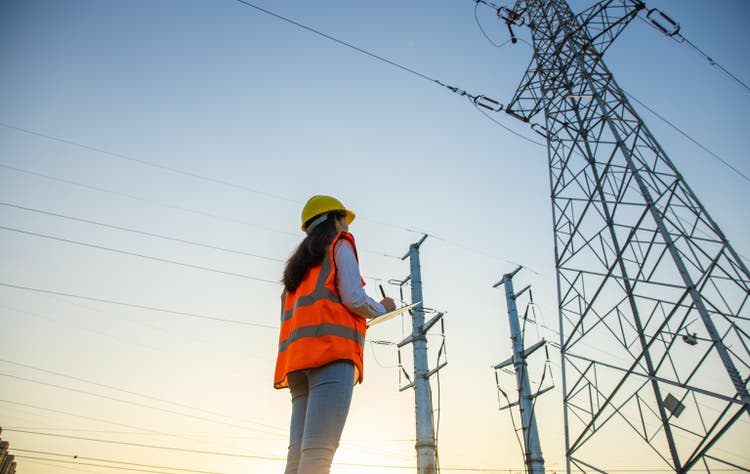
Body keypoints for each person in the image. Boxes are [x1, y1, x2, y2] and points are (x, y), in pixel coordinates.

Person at [275, 195, 396, 474]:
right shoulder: (339, 245)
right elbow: (354, 297)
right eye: (345, 221)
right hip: (331, 356)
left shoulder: (296, 270)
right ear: (335, 220)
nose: (348, 228)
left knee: (298, 454)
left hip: (297, 364)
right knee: (318, 452)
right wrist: (382, 308)